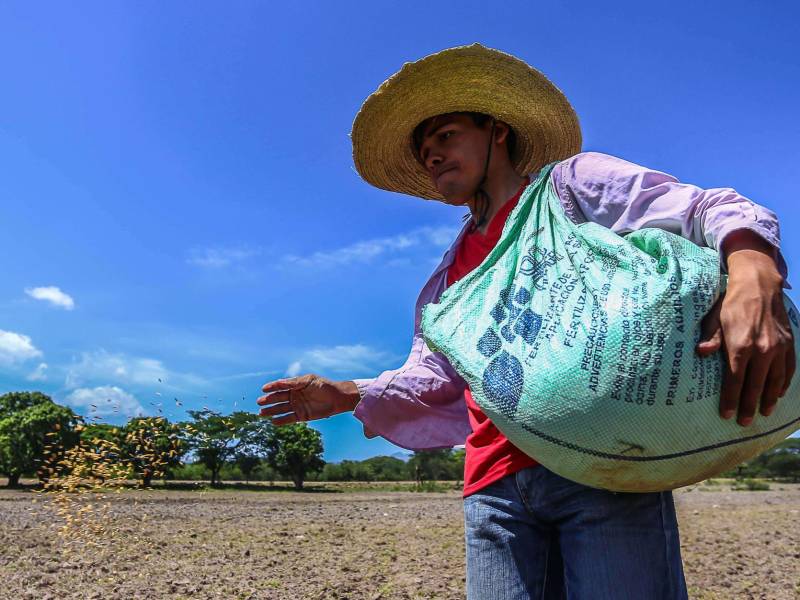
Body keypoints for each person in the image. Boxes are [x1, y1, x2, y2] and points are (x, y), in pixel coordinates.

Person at [257, 44, 794, 599]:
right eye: (424, 150)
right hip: (493, 489)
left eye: (445, 136)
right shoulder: (447, 283)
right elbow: (436, 377)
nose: (433, 155)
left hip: (603, 462)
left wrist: (754, 274)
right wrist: (346, 392)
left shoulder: (568, 188)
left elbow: (703, 207)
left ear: (497, 130)